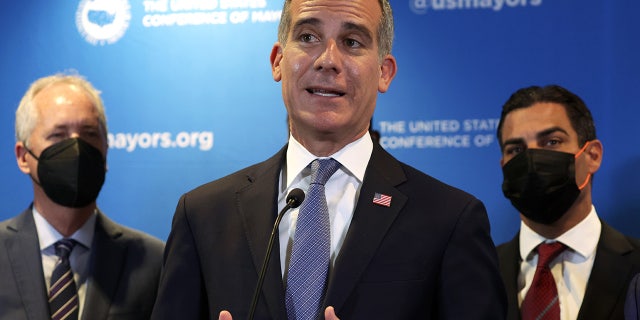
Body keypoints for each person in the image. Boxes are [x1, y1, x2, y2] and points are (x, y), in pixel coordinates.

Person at [151, 0, 506, 319]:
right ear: (278, 60)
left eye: (352, 42)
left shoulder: (449, 219)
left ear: (384, 72)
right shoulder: (203, 213)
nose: (328, 60)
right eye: (308, 37)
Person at [0, 73, 164, 319]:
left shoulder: (153, 261)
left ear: (105, 150)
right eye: (58, 135)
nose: (76, 147)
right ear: (24, 156)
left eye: (89, 134)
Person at [495, 84, 640, 320]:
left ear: (592, 155)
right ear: (504, 166)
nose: (531, 161)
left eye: (552, 142)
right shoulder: (477, 272)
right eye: (516, 149)